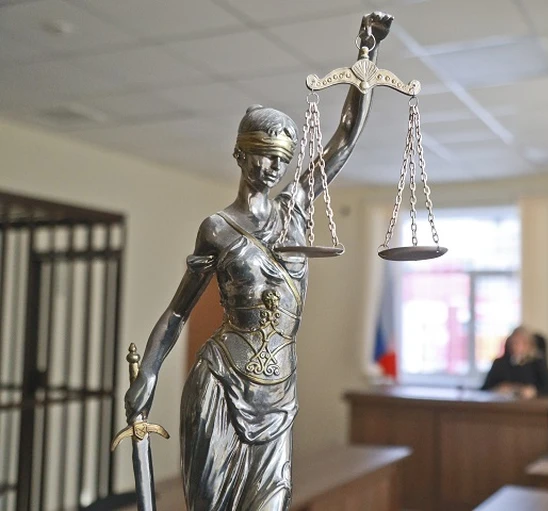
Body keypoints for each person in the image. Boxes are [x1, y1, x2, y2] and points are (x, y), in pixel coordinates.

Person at [122, 12, 393, 511]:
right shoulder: (217, 228)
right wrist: (150, 374)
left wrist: (366, 59)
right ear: (240, 154)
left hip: (278, 391)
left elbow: (345, 136)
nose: (272, 168)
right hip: (220, 382)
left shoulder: (296, 207)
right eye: (263, 155)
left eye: (281, 160)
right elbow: (179, 311)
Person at [480, 326, 548, 398]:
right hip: (502, 405)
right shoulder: (499, 364)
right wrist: (497, 389)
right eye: (513, 343)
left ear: (529, 345)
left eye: (520, 343)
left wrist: (534, 391)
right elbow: (484, 389)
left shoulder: (537, 363)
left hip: (529, 406)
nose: (515, 347)